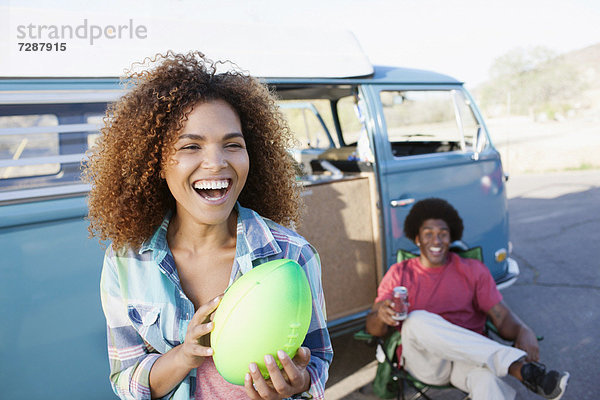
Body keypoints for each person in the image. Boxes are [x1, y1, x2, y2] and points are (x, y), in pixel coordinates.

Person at [84, 51, 332, 400]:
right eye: (191, 146)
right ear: (155, 161)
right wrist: (184, 356)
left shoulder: (293, 254)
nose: (215, 163)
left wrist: (299, 384)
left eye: (232, 144)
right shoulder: (125, 262)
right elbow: (125, 381)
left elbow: (318, 361)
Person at [366, 198, 569, 400]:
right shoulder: (399, 273)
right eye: (428, 234)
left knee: (487, 382)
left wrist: (523, 329)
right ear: (417, 238)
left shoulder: (472, 270)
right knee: (415, 319)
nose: (436, 241)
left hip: (470, 357)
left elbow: (501, 317)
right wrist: (381, 316)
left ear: (451, 237)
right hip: (426, 361)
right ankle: (519, 368)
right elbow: (373, 328)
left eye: (443, 234)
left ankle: (520, 369)